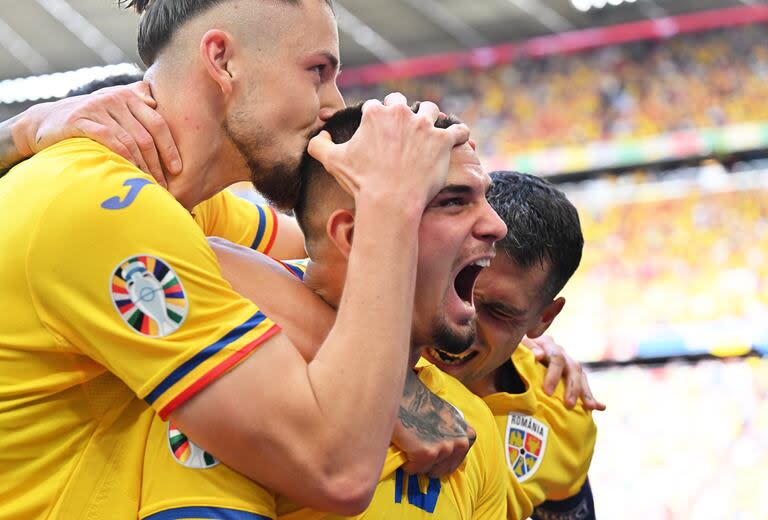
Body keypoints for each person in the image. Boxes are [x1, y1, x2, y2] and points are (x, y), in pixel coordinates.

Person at [0, 1, 473, 518]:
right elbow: (335, 468)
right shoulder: (101, 205)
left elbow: (329, 259)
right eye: (317, 71)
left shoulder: (186, 205)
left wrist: (508, 325)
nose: (334, 104)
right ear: (222, 61)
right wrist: (390, 200)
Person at [139, 105, 510, 519]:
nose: (497, 225)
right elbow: (155, 243)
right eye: (454, 201)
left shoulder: (470, 424)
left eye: (484, 199)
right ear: (356, 235)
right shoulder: (235, 393)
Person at [422, 171, 601, 519]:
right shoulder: (369, 353)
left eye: (499, 312)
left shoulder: (563, 414)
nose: (464, 317)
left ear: (543, 319)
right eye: (454, 285)